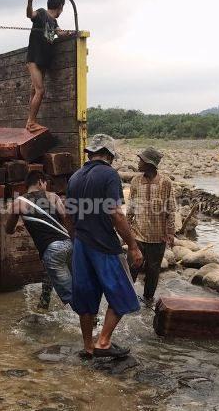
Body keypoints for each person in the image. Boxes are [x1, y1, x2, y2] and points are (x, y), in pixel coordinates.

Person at [67, 133, 143, 358]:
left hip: (81, 244)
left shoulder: (75, 177)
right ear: (109, 155)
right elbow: (115, 214)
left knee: (86, 299)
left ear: (90, 153)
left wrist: (75, 240)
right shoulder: (109, 175)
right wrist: (133, 245)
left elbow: (68, 216)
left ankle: (88, 346)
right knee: (123, 294)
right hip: (103, 244)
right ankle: (103, 342)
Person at [5, 170, 74, 308]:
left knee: (70, 294)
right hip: (69, 244)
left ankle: (92, 321)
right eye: (45, 184)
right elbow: (66, 217)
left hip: (52, 250)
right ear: (40, 182)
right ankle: (44, 303)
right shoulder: (53, 197)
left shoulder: (18, 203)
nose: (46, 187)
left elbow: (8, 229)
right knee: (74, 281)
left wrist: (17, 226)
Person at [127, 147, 176, 304]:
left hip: (157, 236)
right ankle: (126, 297)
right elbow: (131, 208)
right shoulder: (135, 181)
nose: (138, 163)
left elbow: (171, 209)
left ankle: (148, 299)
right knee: (132, 267)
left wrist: (170, 232)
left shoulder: (165, 182)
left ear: (149, 163)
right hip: (137, 234)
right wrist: (126, 230)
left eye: (141, 160)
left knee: (153, 271)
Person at [24, 0, 74, 133]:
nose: (62, 10)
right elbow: (29, 15)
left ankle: (30, 121)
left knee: (34, 90)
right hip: (34, 58)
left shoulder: (54, 21)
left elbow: (60, 33)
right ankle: (31, 122)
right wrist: (29, 1)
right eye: (62, 8)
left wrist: (69, 33)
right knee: (40, 90)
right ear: (60, 7)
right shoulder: (41, 13)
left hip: (44, 60)